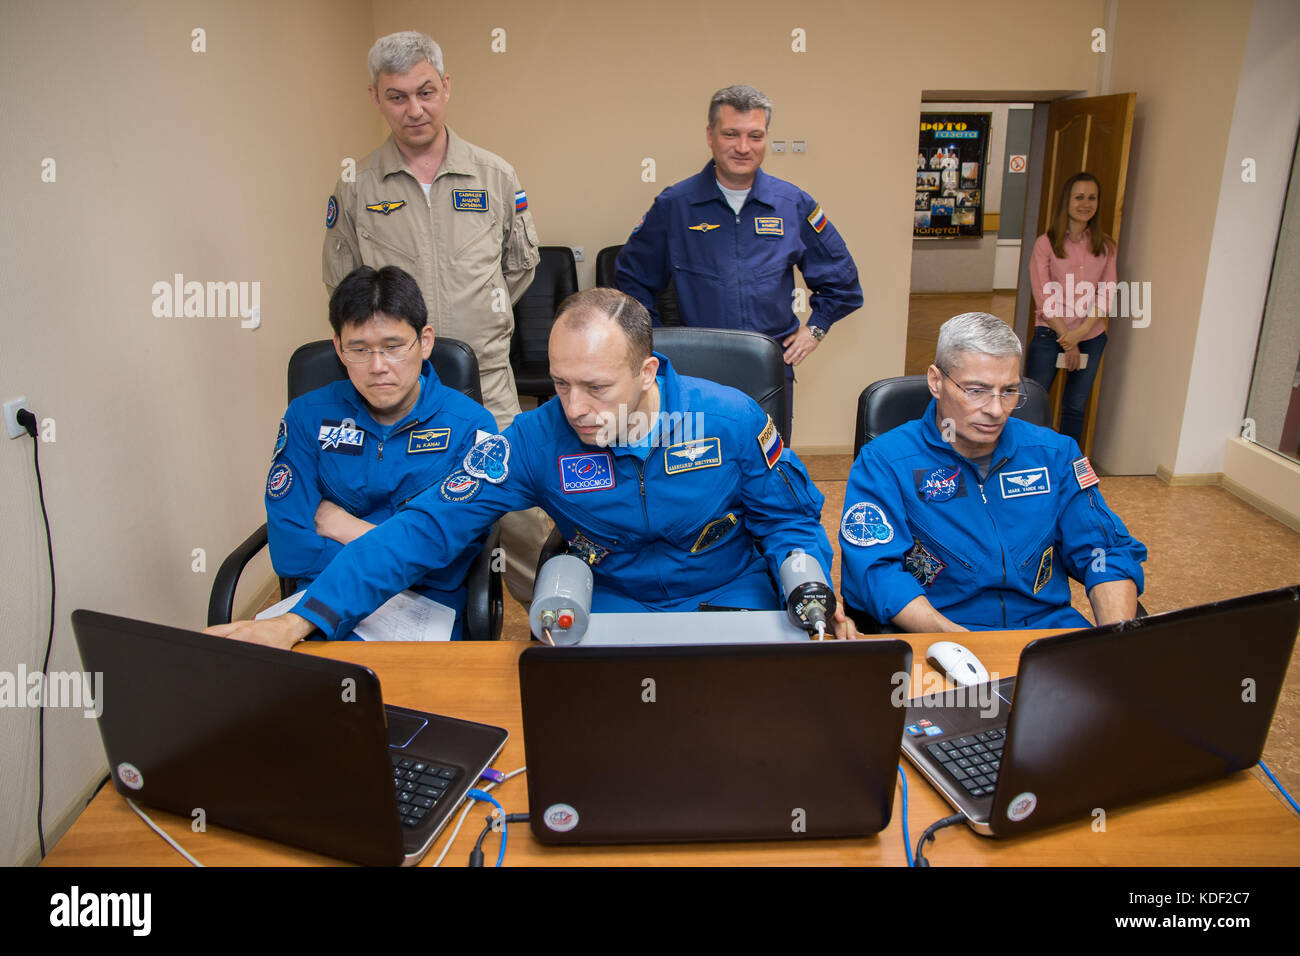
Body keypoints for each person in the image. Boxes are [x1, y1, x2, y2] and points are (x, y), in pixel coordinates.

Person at [209, 289, 856, 649]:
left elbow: (790, 521)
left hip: (730, 590)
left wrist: (812, 591)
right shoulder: (532, 440)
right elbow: (423, 530)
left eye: (596, 387)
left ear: (648, 372)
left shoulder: (731, 420)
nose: (574, 408)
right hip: (618, 602)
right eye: (560, 384)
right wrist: (301, 618)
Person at [321, 29, 550, 603]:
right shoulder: (356, 185)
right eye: (397, 96)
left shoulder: (495, 175)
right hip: (399, 391)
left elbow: (518, 269)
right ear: (375, 98)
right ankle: (432, 632)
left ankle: (561, 628)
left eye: (426, 91)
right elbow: (346, 285)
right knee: (415, 513)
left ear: (446, 87)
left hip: (488, 383)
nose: (414, 108)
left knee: (521, 517)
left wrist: (478, 319)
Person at [839, 311, 1145, 632]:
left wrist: (1115, 638)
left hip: (1045, 628)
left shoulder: (1054, 454)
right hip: (941, 632)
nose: (996, 410)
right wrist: (951, 637)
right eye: (976, 390)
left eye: (1009, 390)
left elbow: (1103, 550)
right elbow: (876, 570)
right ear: (936, 381)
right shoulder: (886, 462)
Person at [613, 84, 863, 438]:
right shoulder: (674, 205)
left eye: (755, 136)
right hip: (695, 374)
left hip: (767, 372)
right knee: (697, 469)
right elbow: (631, 279)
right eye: (731, 134)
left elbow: (842, 282)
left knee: (769, 468)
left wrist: (816, 329)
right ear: (710, 136)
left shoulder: (792, 204)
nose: (743, 147)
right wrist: (660, 343)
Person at [266, 265, 498, 640]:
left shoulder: (472, 426)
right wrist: (408, 552)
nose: (377, 367)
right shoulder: (307, 416)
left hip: (425, 605)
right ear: (338, 348)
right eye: (359, 349)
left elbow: (451, 564)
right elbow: (289, 550)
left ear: (424, 342)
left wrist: (342, 525)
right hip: (319, 594)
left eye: (393, 347)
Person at [1023, 172, 1118, 445]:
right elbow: (1043, 296)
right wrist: (1068, 340)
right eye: (1079, 197)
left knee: (1075, 407)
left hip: (1091, 337)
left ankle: (1069, 467)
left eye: (1092, 197)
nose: (1086, 204)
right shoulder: (1046, 243)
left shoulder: (1106, 246)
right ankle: (1029, 461)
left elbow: (1107, 291)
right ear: (1067, 201)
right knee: (1034, 404)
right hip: (1050, 335)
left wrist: (1081, 333)